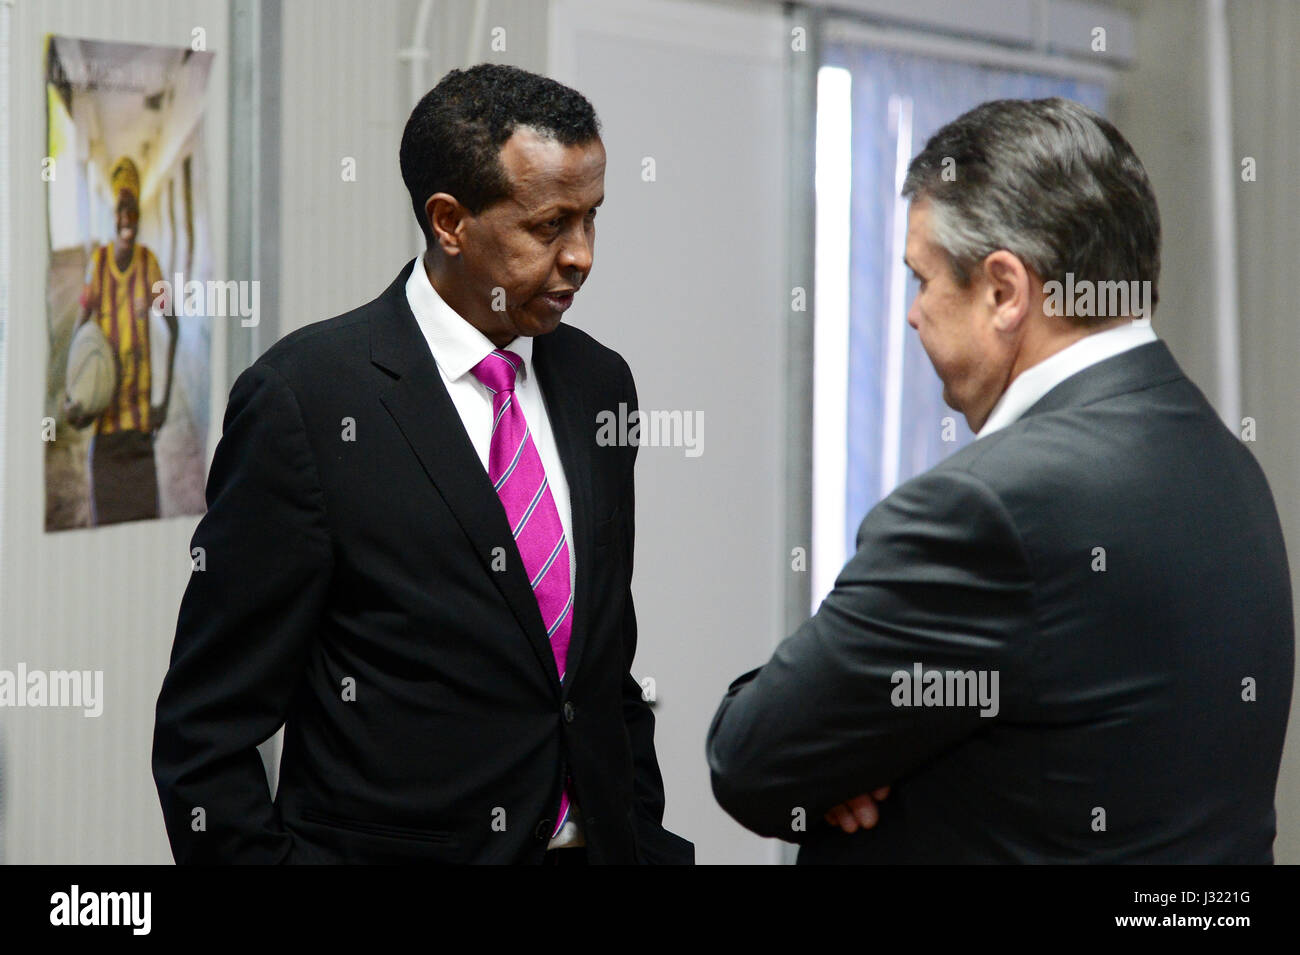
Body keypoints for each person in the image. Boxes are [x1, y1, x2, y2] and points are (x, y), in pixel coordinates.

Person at [707, 98, 1294, 863]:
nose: (913, 315)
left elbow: (753, 757)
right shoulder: (1229, 461)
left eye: (921, 279)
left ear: (1005, 290)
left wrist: (845, 751)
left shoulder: (987, 506)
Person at [152, 64, 693, 865]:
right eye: (550, 225)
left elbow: (600, 666)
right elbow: (205, 732)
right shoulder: (306, 401)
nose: (581, 255)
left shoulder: (597, 383)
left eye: (593, 218)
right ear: (450, 222)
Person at [64, 156, 178, 525]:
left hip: (141, 423)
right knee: (109, 523)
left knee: (144, 520)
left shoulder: (150, 263)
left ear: (139, 214)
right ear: (113, 214)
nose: (127, 218)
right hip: (106, 420)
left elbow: (173, 325)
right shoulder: (97, 264)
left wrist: (164, 401)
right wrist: (73, 395)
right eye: (120, 209)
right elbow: (81, 328)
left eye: (133, 209)